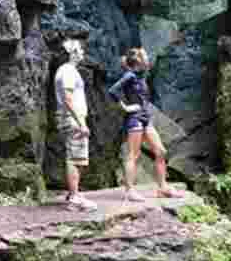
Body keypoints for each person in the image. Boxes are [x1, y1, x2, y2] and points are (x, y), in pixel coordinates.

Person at [107, 47, 186, 202]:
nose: (148, 59)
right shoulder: (129, 75)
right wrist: (126, 107)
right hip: (135, 118)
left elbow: (146, 69)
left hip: (145, 118)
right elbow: (113, 91)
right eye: (145, 57)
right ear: (138, 61)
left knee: (161, 151)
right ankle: (130, 191)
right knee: (133, 155)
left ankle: (163, 188)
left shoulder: (141, 75)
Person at [53, 39, 94, 209]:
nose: (82, 53)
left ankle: (73, 193)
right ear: (72, 53)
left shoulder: (66, 70)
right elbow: (68, 99)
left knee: (77, 157)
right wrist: (80, 122)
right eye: (80, 50)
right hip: (72, 119)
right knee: (74, 158)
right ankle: (75, 198)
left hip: (71, 118)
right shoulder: (68, 71)